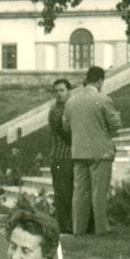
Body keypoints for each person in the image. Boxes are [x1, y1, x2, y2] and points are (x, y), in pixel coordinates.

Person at [63, 65, 121, 235]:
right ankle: (101, 230)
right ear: (101, 80)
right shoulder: (103, 100)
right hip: (100, 152)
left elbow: (65, 126)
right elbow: (116, 124)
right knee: (99, 193)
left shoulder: (71, 101)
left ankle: (78, 230)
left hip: (79, 151)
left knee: (80, 192)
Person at [47, 78, 74, 233]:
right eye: (56, 91)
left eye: (62, 90)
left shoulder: (71, 107)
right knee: (62, 193)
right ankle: (63, 226)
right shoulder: (55, 111)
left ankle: (71, 224)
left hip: (72, 157)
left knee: (71, 192)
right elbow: (67, 135)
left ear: (68, 91)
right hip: (61, 156)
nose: (59, 94)